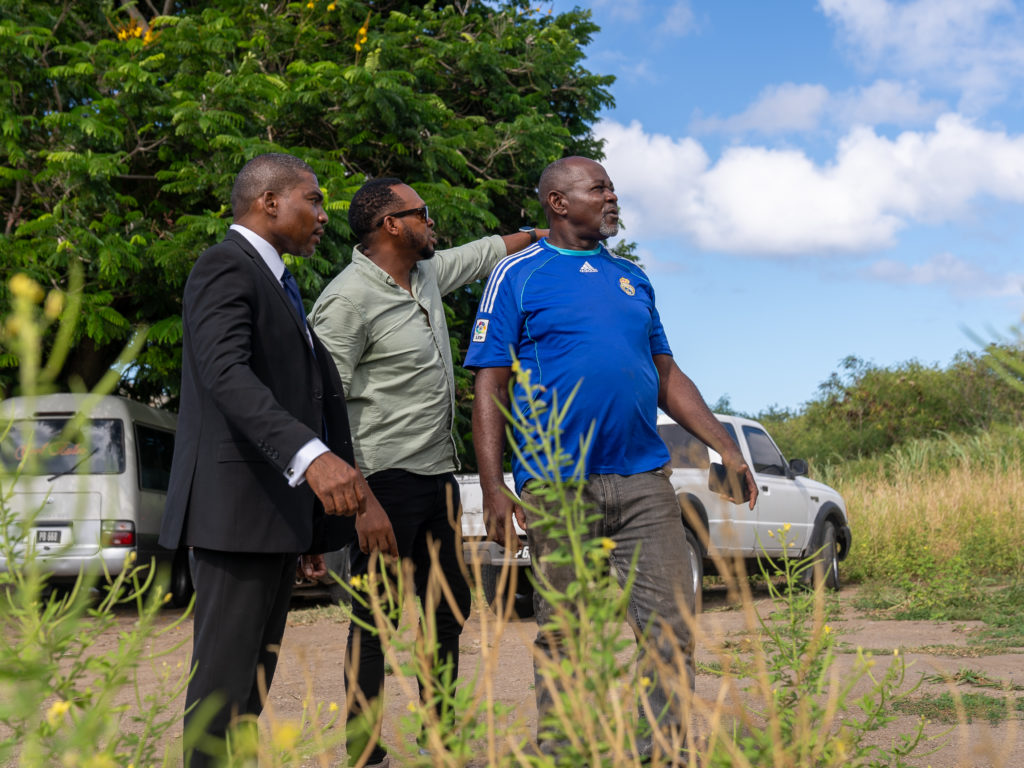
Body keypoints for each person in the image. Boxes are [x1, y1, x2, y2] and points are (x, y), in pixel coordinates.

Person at [465, 156, 758, 762]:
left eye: (612, 187)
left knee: (670, 628)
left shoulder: (633, 279)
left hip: (645, 482)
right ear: (557, 202)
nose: (611, 196)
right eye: (597, 188)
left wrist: (724, 444)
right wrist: (495, 488)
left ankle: (666, 752)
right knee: (568, 634)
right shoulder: (517, 275)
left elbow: (665, 374)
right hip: (558, 486)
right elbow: (489, 386)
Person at [308, 177, 545, 768]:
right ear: (393, 224)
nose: (432, 222)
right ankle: (362, 754)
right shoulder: (346, 300)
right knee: (375, 622)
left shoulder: (427, 276)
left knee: (446, 611)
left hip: (436, 475)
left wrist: (546, 234)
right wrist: (361, 503)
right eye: (423, 213)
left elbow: (489, 250)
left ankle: (442, 743)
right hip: (380, 484)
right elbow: (318, 402)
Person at [160, 153, 368, 768]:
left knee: (249, 695)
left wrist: (306, 525)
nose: (324, 215)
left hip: (272, 520)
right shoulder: (225, 266)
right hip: (233, 517)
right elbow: (227, 374)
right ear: (269, 202)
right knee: (221, 698)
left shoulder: (281, 283)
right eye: (315, 199)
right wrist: (313, 459)